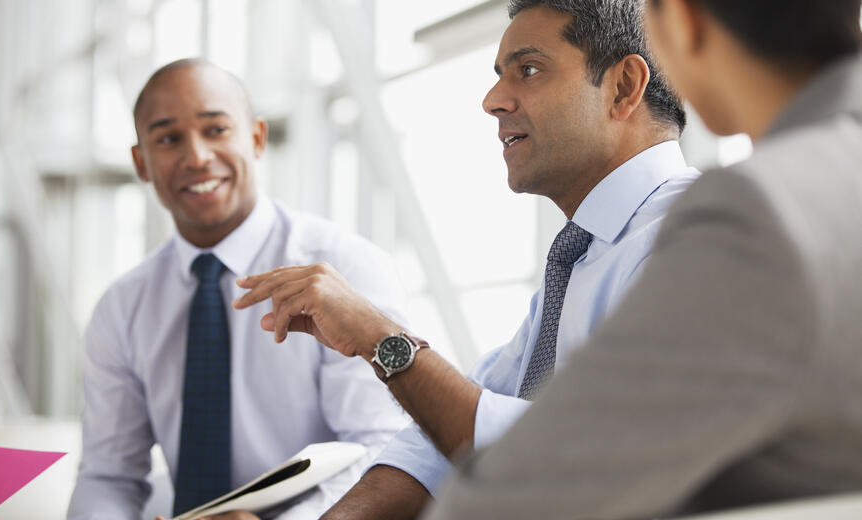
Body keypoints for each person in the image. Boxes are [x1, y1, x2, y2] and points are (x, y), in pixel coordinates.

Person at [233, 1, 698, 517]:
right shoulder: (581, 256)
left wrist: (377, 336)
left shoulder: (692, 241)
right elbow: (439, 444)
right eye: (500, 76)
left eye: (529, 69)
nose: (493, 100)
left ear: (623, 87)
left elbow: (567, 458)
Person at [419, 0, 862, 518]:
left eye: (529, 70)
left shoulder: (757, 214)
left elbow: (518, 496)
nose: (492, 101)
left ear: (681, 19)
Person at [67, 59, 409, 520]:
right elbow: (108, 477)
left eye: (216, 130)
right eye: (168, 138)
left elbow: (381, 449)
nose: (196, 157)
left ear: (257, 138)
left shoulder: (345, 268)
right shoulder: (122, 307)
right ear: (140, 162)